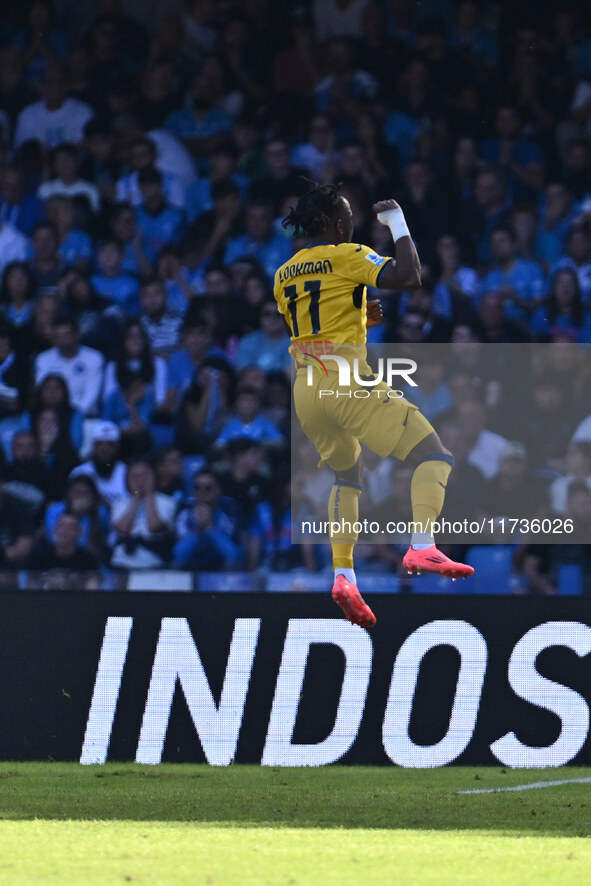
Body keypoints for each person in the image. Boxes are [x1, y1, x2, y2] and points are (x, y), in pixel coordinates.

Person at [274, 182, 474, 628]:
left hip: (307, 391)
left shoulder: (283, 273)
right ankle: (422, 544)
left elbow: (319, 319)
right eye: (345, 215)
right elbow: (409, 277)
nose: (351, 222)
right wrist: (397, 222)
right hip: (344, 381)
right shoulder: (346, 254)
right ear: (331, 222)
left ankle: (343, 574)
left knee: (348, 476)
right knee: (434, 455)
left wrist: (363, 316)